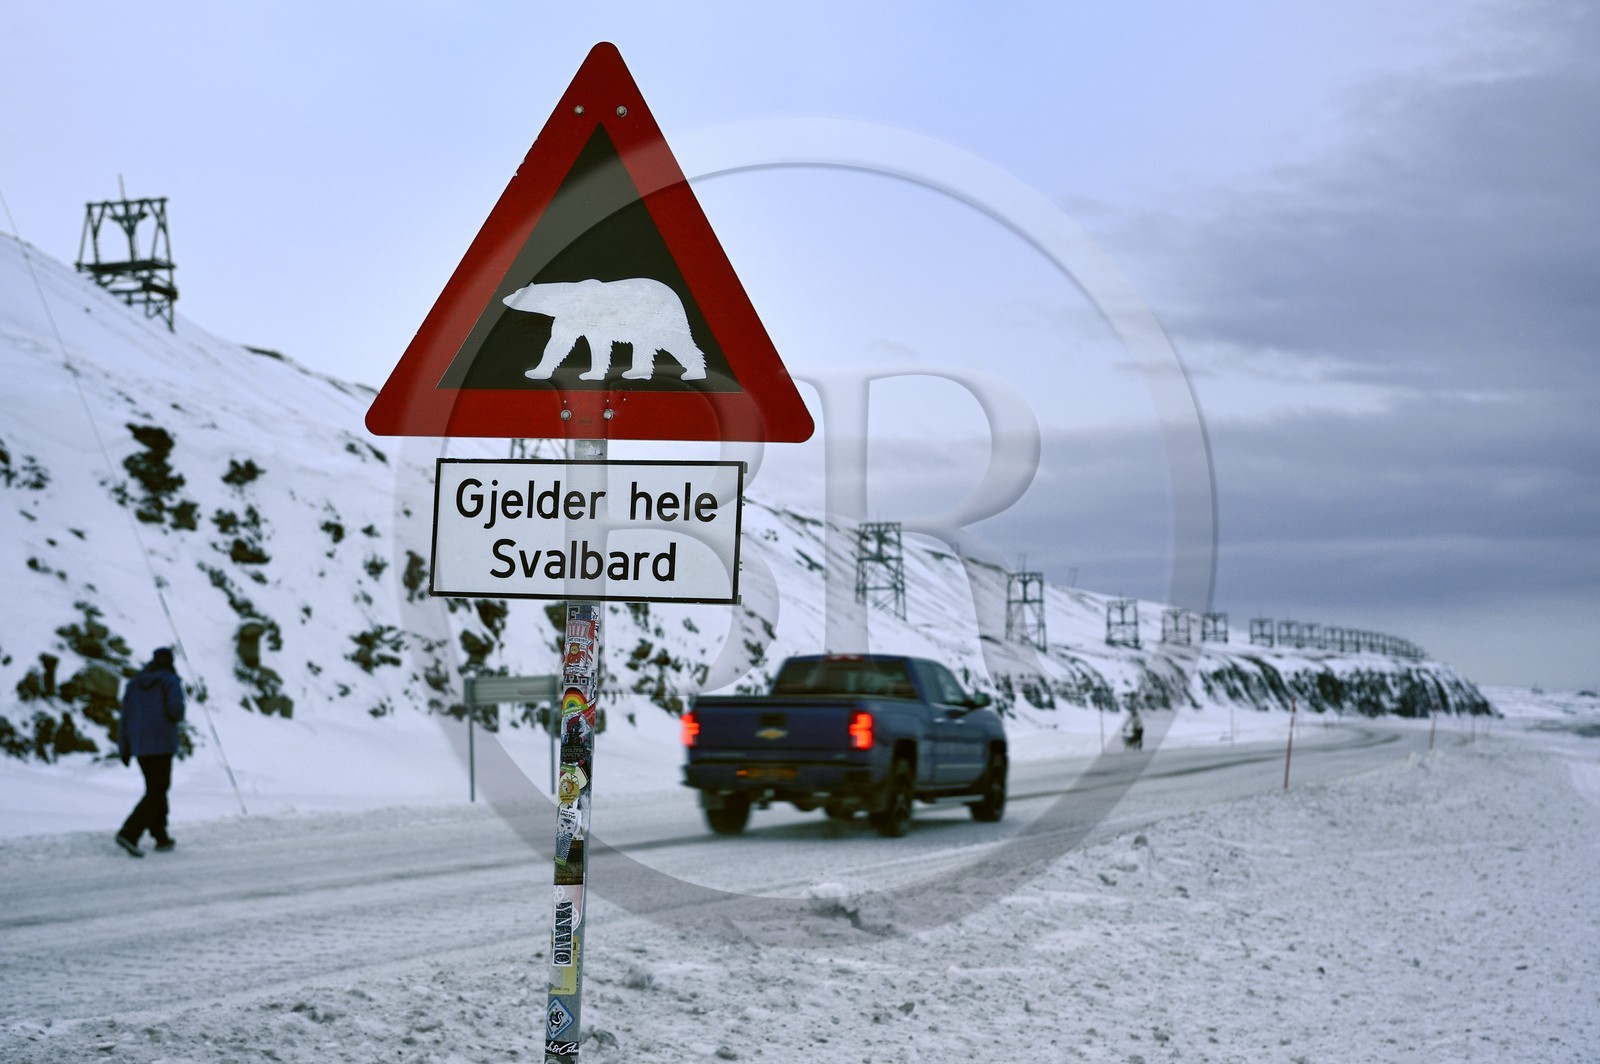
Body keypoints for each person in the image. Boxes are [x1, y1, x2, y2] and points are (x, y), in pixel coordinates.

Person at [115, 647, 186, 857]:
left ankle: (160, 836)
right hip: (162, 742)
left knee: (155, 789)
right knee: (158, 790)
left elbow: (125, 716)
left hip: (140, 746)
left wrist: (125, 748)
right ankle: (129, 833)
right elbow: (176, 710)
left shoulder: (134, 683)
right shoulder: (170, 680)